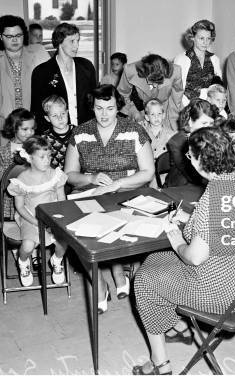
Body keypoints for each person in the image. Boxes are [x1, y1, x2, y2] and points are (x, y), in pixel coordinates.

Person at [132, 127, 235, 375]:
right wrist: (194, 223)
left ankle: (160, 363)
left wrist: (179, 239)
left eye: (190, 157)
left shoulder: (213, 196)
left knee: (144, 279)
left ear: (202, 161)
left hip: (217, 294)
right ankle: (171, 325)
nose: (189, 161)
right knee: (154, 259)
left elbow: (194, 257)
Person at [64, 84, 155, 312]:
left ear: (118, 108)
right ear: (92, 108)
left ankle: (116, 268)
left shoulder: (134, 130)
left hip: (127, 192)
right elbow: (69, 175)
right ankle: (99, 282)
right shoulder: (80, 133)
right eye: (99, 108)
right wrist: (91, 178)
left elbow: (148, 172)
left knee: (118, 225)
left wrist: (117, 184)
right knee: (78, 232)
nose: (104, 114)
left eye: (110, 108)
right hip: (91, 192)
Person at [0, 15, 49, 153]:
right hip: (3, 124)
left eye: (18, 35)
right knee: (5, 168)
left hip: (32, 126)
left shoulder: (37, 55)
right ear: (0, 36)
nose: (14, 39)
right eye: (9, 36)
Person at [7, 136, 68, 286]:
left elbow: (61, 199)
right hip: (30, 217)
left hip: (53, 215)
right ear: (29, 158)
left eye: (49, 156)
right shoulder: (22, 179)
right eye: (42, 157)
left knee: (64, 242)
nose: (47, 160)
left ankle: (57, 261)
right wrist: (37, 222)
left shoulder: (55, 175)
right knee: (27, 246)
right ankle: (23, 263)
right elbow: (20, 207)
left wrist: (58, 218)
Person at [31, 22, 97, 131]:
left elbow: (94, 102)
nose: (76, 46)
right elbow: (38, 111)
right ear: (59, 42)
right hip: (56, 135)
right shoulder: (41, 72)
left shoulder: (87, 66)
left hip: (86, 132)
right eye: (72, 41)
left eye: (78, 41)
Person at [116, 54, 183, 131]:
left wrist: (174, 126)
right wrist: (135, 113)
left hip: (165, 108)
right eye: (152, 81)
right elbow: (122, 94)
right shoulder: (130, 70)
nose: (155, 85)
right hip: (140, 107)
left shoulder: (176, 71)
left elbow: (175, 102)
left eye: (158, 82)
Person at [0, 108, 36, 227]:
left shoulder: (35, 147)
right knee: (17, 229)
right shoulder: (4, 152)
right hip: (14, 199)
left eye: (32, 128)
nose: (29, 133)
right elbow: (4, 182)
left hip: (36, 195)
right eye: (25, 129)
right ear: (14, 128)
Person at [165, 99, 218, 188]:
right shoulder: (177, 142)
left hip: (208, 182)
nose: (208, 128)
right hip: (181, 187)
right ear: (190, 121)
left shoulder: (213, 138)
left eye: (211, 124)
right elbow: (190, 174)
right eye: (204, 123)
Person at [174, 19, 222, 107]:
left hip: (209, 107)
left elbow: (218, 89)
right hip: (187, 107)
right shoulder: (181, 59)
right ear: (192, 37)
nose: (205, 42)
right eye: (201, 38)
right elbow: (177, 90)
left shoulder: (214, 59)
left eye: (208, 38)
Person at [40, 95, 75, 170]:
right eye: (55, 115)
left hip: (76, 176)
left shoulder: (79, 132)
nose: (60, 118)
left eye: (63, 113)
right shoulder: (44, 138)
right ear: (47, 118)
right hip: (55, 177)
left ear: (67, 112)